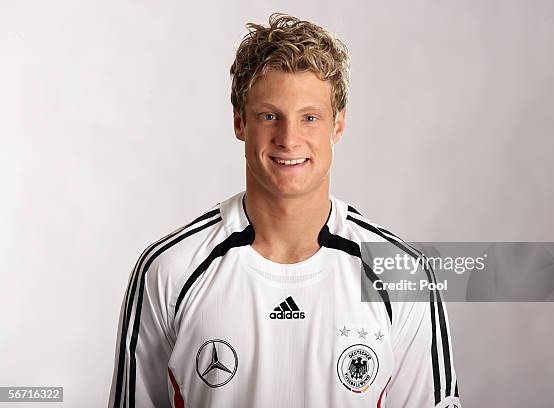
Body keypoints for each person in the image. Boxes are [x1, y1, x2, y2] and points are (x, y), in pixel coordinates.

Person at [108, 13, 461, 408]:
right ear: (240, 122)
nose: (289, 138)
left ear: (338, 125)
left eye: (309, 118)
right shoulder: (169, 269)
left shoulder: (402, 273)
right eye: (269, 115)